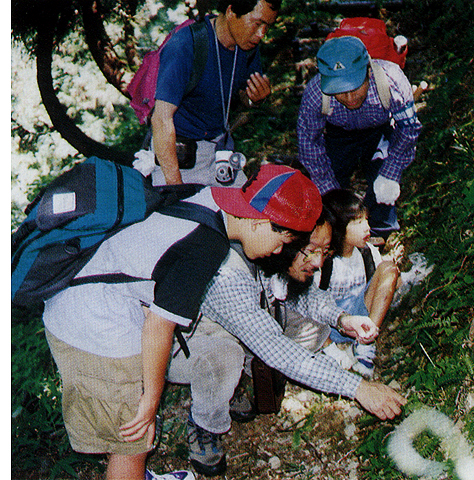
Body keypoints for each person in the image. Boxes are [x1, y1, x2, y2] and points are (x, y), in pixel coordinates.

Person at [41, 164, 321, 480]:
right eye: (283, 240)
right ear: (260, 223)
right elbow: (160, 326)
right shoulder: (207, 244)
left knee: (131, 433)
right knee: (133, 442)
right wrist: (150, 400)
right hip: (94, 325)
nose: (279, 250)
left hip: (86, 304)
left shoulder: (207, 197)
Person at [167, 208, 406, 476]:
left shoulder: (267, 251)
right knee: (226, 357)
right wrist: (359, 388)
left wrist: (342, 319)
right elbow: (279, 351)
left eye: (325, 253)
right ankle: (205, 423)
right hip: (177, 343)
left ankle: (232, 380)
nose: (318, 263)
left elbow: (304, 295)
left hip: (235, 320)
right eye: (313, 250)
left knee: (302, 327)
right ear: (289, 240)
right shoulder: (229, 273)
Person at [297, 35, 422, 239]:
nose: (349, 97)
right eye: (339, 91)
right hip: (338, 135)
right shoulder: (315, 93)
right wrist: (335, 201)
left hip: (379, 130)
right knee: (330, 186)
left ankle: (381, 232)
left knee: (383, 186)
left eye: (355, 87)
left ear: (368, 72)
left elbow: (408, 129)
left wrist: (390, 173)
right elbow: (309, 147)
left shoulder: (392, 81)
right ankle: (337, 234)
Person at [150, 0, 280, 186]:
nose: (261, 35)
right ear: (231, 12)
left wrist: (254, 99)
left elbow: (244, 96)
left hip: (219, 153)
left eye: (267, 27)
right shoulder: (186, 45)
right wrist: (174, 185)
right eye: (257, 23)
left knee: (246, 212)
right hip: (177, 156)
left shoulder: (248, 48)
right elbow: (161, 119)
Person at [319, 189, 400, 378]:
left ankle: (366, 343)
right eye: (357, 222)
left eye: (366, 220)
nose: (367, 228)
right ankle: (330, 347)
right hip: (331, 325)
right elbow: (308, 306)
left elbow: (382, 285)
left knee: (389, 268)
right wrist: (329, 346)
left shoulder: (368, 252)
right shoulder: (323, 261)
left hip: (361, 318)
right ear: (337, 227)